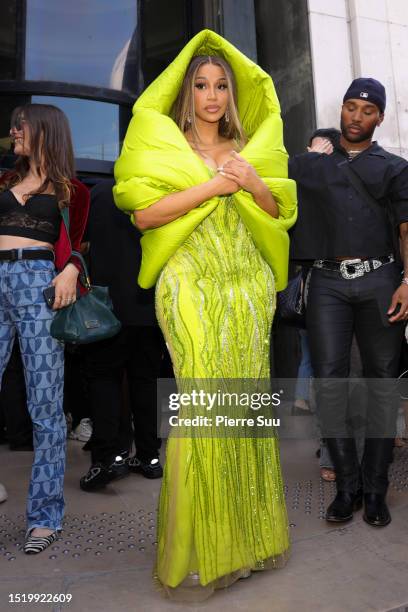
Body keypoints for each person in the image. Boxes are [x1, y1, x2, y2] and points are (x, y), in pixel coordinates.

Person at [114, 29, 297, 600]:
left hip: (246, 284)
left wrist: (250, 183)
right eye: (201, 85)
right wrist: (214, 185)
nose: (212, 96)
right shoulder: (164, 145)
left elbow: (279, 214)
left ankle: (242, 543)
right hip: (188, 284)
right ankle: (196, 554)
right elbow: (144, 215)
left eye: (221, 86)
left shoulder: (253, 150)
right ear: (185, 92)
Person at [290, 78, 408, 527]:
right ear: (340, 110)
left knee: (382, 384)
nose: (356, 116)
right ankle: (347, 487)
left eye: (366, 110)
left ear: (379, 117)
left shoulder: (395, 167)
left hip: (381, 280)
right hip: (326, 282)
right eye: (350, 107)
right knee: (329, 383)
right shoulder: (308, 165)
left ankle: (376, 490)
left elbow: (404, 228)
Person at [0, 103, 89, 553]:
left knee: (45, 408)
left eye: (22, 125)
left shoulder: (71, 191)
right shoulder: (3, 180)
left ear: (46, 132)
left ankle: (44, 517)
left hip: (38, 285)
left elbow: (81, 246)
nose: (14, 131)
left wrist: (72, 267)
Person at [79, 178, 164, 492]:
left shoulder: (99, 192)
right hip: (147, 304)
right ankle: (149, 457)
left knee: (104, 380)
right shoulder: (158, 189)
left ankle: (108, 458)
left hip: (106, 306)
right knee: (146, 381)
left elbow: (82, 243)